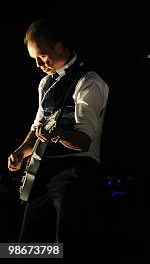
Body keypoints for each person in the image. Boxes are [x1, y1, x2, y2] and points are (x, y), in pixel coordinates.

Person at [7, 19, 109, 261]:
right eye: (34, 59)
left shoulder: (89, 81)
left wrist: (59, 135)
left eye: (41, 56)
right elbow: (37, 126)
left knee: (67, 244)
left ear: (59, 47)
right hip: (44, 170)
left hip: (75, 171)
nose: (38, 65)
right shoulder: (46, 83)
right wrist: (21, 152)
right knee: (25, 247)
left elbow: (84, 141)